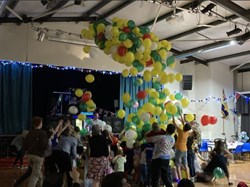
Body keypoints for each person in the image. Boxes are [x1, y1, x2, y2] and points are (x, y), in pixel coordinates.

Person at [23, 116, 48, 187]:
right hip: (38, 156)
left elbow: (24, 145)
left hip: (29, 155)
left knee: (39, 175)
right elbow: (44, 146)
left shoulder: (29, 133)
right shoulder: (42, 133)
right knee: (34, 177)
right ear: (40, 123)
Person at [173, 115, 191, 180]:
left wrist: (173, 115)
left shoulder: (180, 131)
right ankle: (188, 178)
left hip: (179, 150)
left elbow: (174, 123)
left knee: (177, 164)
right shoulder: (188, 133)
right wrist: (181, 116)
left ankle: (180, 179)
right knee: (186, 165)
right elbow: (185, 126)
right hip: (185, 150)